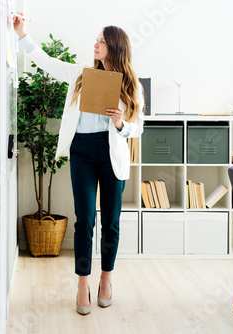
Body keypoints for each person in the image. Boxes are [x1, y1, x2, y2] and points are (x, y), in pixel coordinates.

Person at [13, 14, 144, 315]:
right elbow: (47, 62)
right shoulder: (80, 74)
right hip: (82, 151)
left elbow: (139, 127)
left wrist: (122, 123)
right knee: (85, 219)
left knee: (110, 221)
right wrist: (23, 35)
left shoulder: (130, 84)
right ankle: (82, 283)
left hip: (112, 152)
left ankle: (106, 279)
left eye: (101, 41)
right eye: (96, 40)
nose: (95, 44)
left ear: (114, 47)